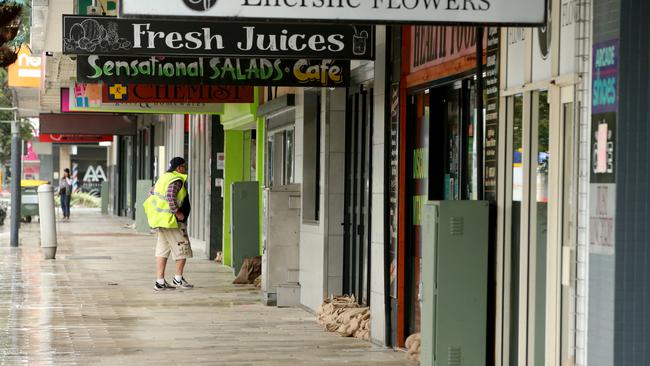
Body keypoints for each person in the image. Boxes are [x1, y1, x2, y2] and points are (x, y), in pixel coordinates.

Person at [143, 157, 194, 291]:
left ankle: (160, 281)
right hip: (173, 222)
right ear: (178, 168)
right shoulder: (176, 179)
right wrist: (177, 212)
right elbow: (171, 197)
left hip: (162, 220)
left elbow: (151, 191)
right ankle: (178, 279)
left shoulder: (164, 177)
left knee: (162, 251)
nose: (186, 168)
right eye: (184, 166)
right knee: (183, 248)